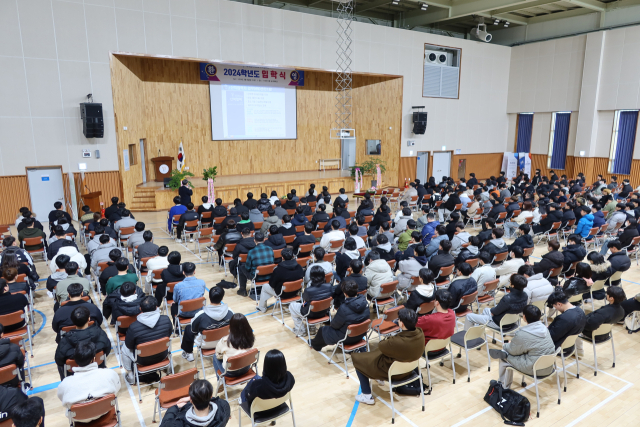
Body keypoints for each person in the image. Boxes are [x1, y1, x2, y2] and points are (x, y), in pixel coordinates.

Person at [352, 308, 425, 405]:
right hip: (409, 369)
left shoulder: (396, 342)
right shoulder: (420, 333)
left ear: (402, 323)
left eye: (399, 319)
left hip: (395, 373)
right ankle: (379, 378)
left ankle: (366, 394)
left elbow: (381, 345)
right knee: (375, 355)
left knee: (358, 360)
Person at [491, 305, 555, 389]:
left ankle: (503, 386)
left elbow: (512, 350)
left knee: (504, 355)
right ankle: (503, 384)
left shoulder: (523, 334)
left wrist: (505, 345)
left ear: (524, 317)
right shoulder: (544, 328)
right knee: (520, 351)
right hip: (548, 366)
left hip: (535, 368)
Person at [57, 341, 121, 421]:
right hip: (104, 412)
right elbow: (117, 389)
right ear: (94, 359)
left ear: (75, 361)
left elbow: (63, 400)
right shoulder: (109, 374)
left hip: (80, 419)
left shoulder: (65, 384)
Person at [122, 296, 173, 384]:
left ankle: (130, 375)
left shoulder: (134, 327)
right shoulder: (166, 319)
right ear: (156, 307)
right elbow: (169, 334)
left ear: (140, 309)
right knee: (167, 341)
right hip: (162, 355)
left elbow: (129, 345)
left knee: (124, 348)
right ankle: (168, 368)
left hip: (142, 360)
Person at [54, 306, 111, 380]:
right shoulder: (100, 333)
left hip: (74, 376)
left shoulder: (65, 341)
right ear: (89, 319)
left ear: (73, 321)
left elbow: (59, 361)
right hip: (97, 370)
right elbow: (107, 349)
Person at [311, 280, 370, 351]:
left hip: (347, 338)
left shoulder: (344, 308)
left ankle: (314, 345)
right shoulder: (365, 302)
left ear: (345, 294)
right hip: (361, 334)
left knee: (323, 330)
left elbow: (334, 325)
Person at [180, 287, 234, 363]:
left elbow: (193, 330)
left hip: (205, 344)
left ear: (209, 297)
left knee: (189, 328)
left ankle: (189, 353)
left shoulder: (200, 315)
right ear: (222, 298)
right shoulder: (230, 312)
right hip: (224, 341)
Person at [240, 349, 294, 418]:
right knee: (256, 377)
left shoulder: (258, 386)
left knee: (243, 393)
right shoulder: (290, 378)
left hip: (260, 411)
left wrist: (251, 387)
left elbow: (248, 396)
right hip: (278, 406)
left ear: (266, 366)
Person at [576, 286, 626, 356]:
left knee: (572, 325)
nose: (606, 294)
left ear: (611, 298)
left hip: (595, 335)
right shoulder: (621, 311)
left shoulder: (604, 313)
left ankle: (577, 350)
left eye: (607, 293)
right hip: (605, 334)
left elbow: (589, 325)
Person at [159, 379, 230, 427]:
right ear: (210, 396)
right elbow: (214, 400)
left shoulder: (180, 423)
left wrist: (176, 406)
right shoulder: (224, 406)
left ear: (191, 400)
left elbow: (165, 424)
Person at [256, 248, 304, 313]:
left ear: (282, 257)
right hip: (296, 292)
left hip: (283, 294)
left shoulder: (278, 270)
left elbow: (272, 284)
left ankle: (262, 308)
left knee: (265, 286)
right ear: (293, 256)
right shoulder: (299, 267)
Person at [289, 266, 333, 336]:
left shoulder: (308, 290)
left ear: (311, 276)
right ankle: (312, 327)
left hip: (311, 314)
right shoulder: (329, 286)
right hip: (324, 312)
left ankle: (301, 330)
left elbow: (304, 300)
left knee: (292, 305)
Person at [213, 314, 255, 378]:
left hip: (230, 373)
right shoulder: (250, 337)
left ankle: (220, 381)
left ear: (231, 326)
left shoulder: (225, 341)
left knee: (214, 356)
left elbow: (218, 355)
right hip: (246, 367)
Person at [238, 232, 274, 298]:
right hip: (269, 276)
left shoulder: (251, 252)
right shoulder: (270, 249)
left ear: (254, 240)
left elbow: (247, 268)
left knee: (241, 267)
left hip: (257, 277)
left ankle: (242, 290)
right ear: (264, 240)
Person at [0, 323, 26, 387]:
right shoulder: (14, 348)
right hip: (12, 383)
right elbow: (21, 364)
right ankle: (24, 384)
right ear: (2, 334)